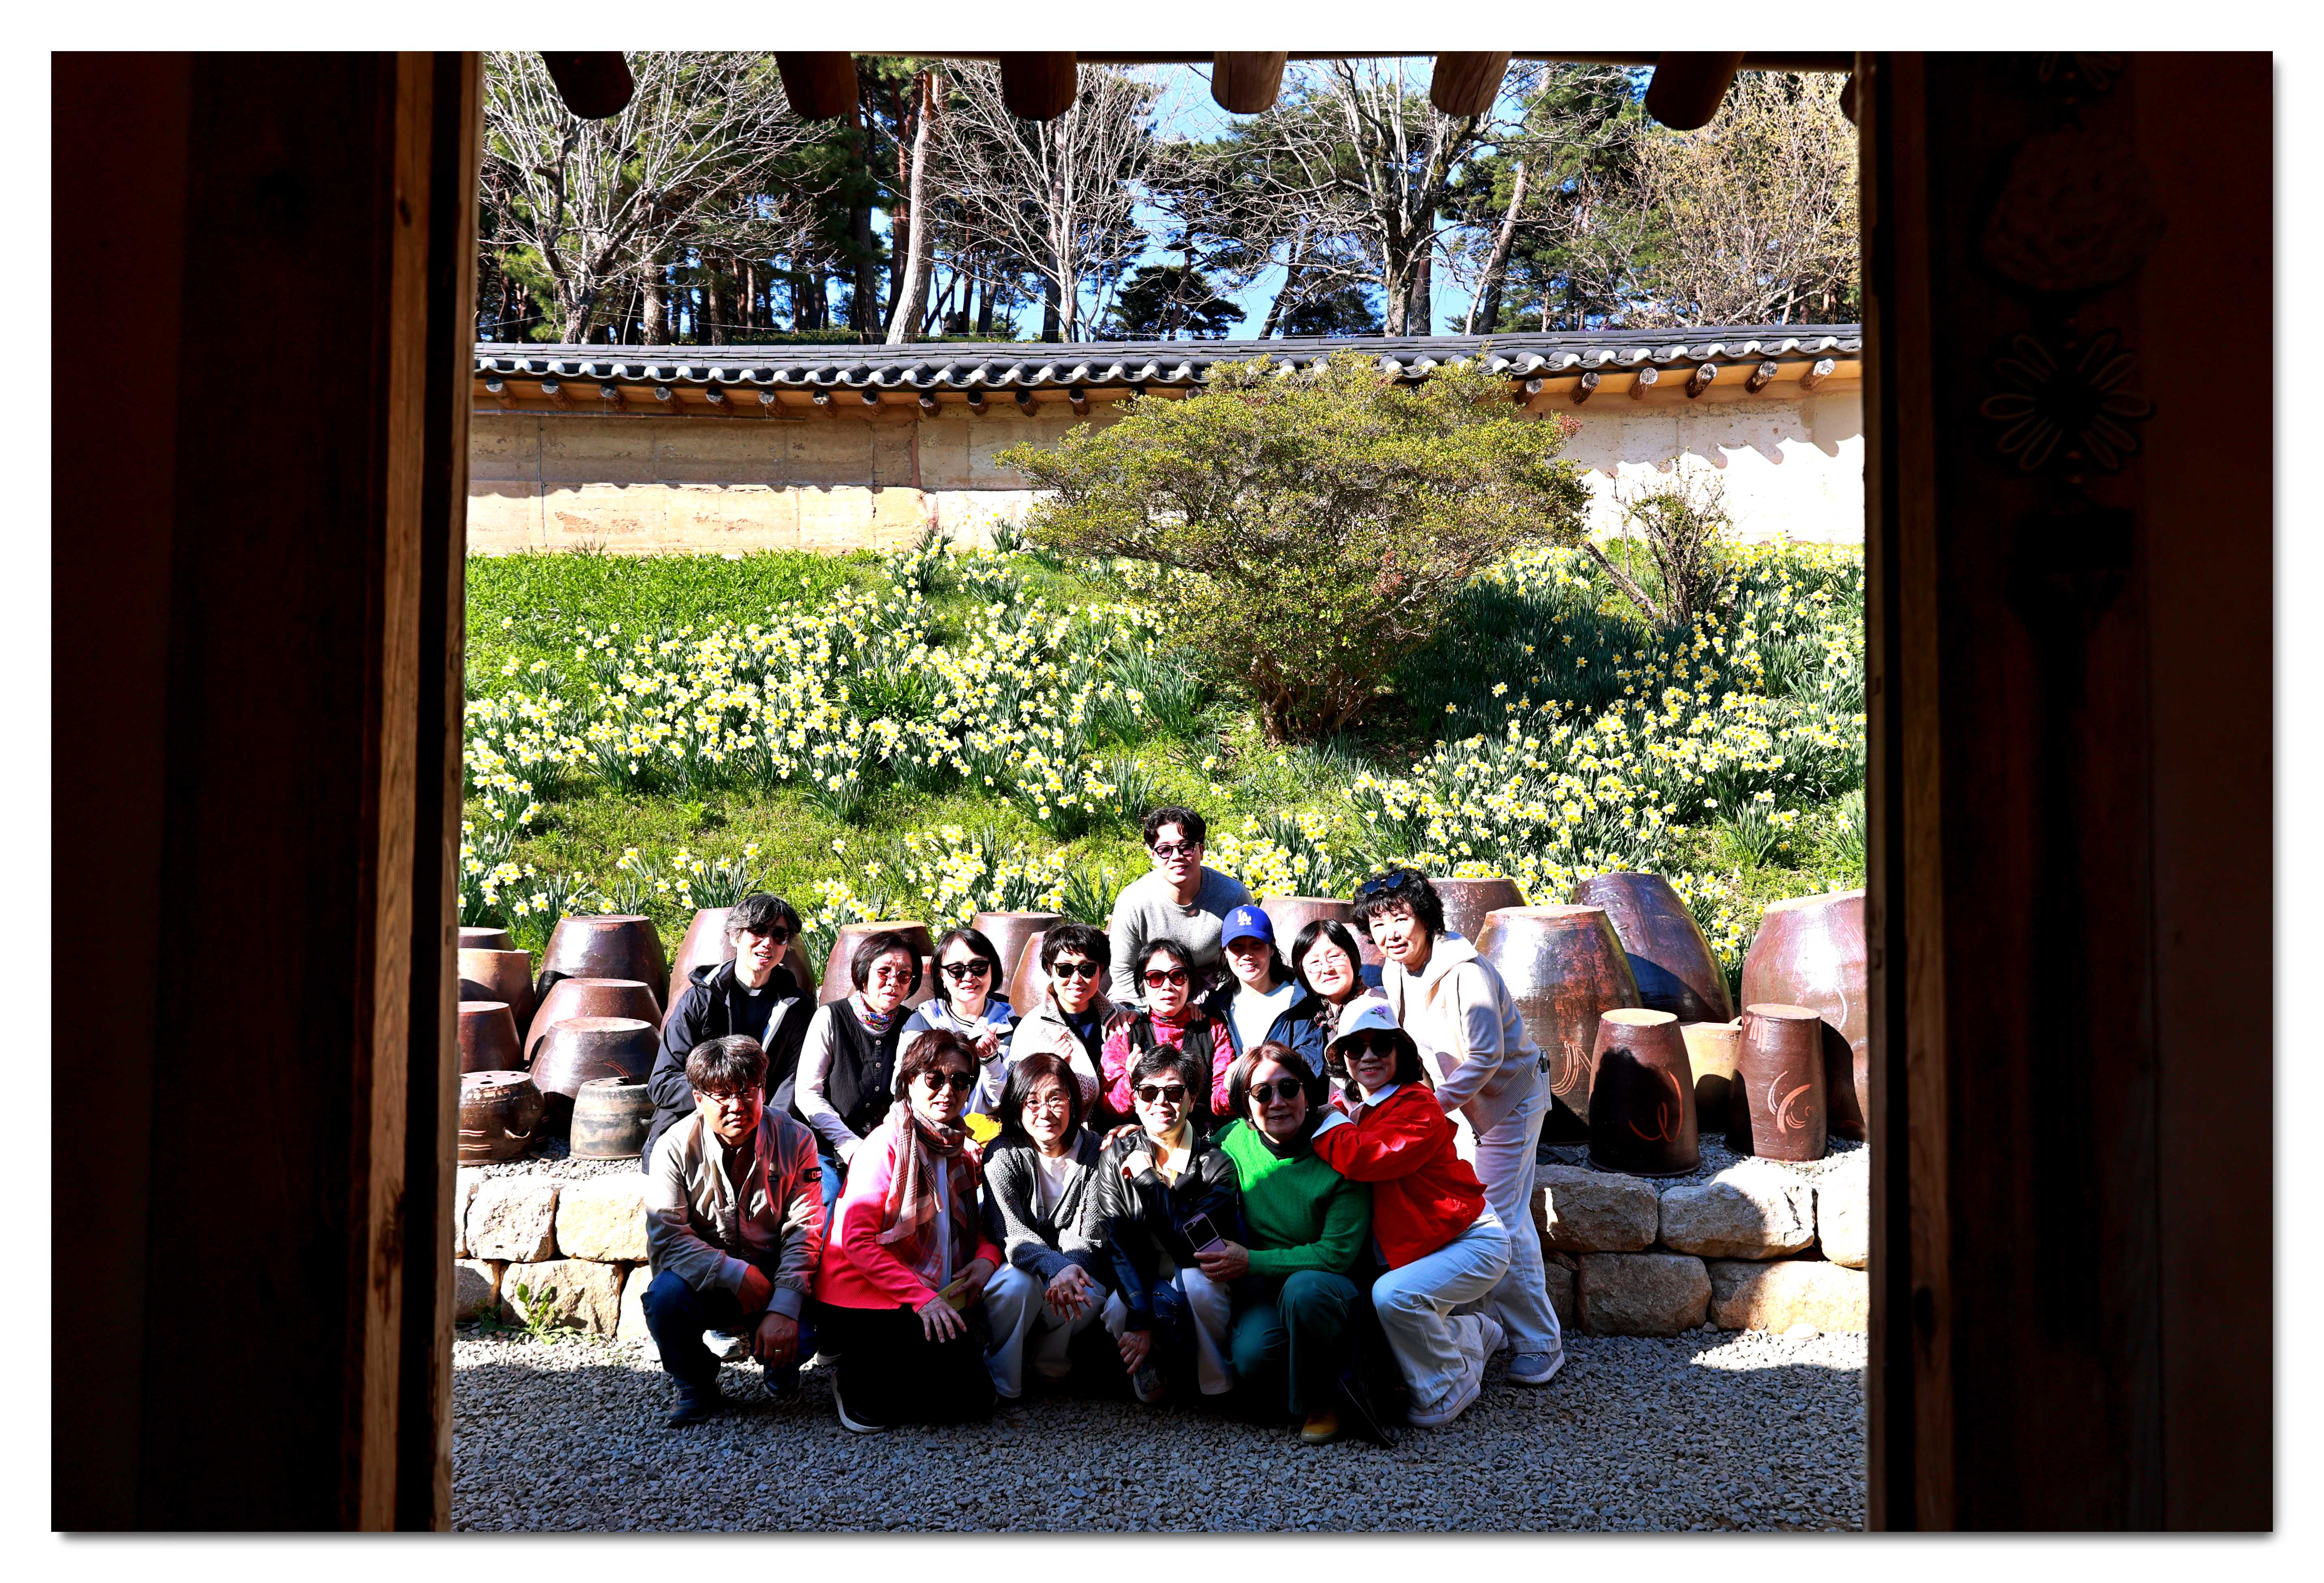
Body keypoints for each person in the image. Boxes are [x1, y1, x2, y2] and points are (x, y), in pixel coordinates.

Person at [1352, 866, 1566, 1388]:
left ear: (1426, 918)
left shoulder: (1466, 972)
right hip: (1459, 1105)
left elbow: (1487, 1057)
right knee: (1487, 1214)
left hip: (1509, 1102)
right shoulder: (1397, 971)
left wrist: (1428, 1108)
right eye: (1378, 925)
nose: (1390, 934)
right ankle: (1496, 1327)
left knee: (1496, 1220)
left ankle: (1541, 1343)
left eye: (1400, 919)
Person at [1309, 1000, 1513, 1429]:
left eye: (1381, 1046)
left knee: (1394, 1296)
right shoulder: (1358, 1110)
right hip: (1430, 1246)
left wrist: (1327, 1122)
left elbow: (1367, 1158)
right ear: (1342, 1056)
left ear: (1400, 1052)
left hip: (1472, 1241)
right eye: (1355, 1047)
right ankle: (1469, 1333)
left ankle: (1448, 1386)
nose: (1368, 1056)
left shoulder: (1418, 1104)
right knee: (1387, 1316)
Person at [812, 1029, 1003, 1433]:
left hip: (928, 1292)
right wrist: (921, 1298)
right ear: (910, 1081)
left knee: (977, 1402)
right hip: (865, 1295)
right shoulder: (884, 1147)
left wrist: (987, 1261)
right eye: (935, 1078)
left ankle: (900, 1373)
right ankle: (853, 1377)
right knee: (874, 1414)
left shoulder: (959, 1148)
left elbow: (979, 1227)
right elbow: (857, 1242)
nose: (948, 1090)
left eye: (961, 1080)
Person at [640, 1034, 825, 1427]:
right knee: (665, 1299)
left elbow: (806, 1229)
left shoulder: (796, 1138)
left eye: (747, 1091)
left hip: (775, 1275)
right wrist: (733, 1273)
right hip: (706, 1279)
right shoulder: (673, 1147)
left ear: (763, 1091)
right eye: (722, 1095)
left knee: (808, 1325)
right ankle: (695, 1384)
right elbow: (668, 1236)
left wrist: (784, 1305)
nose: (737, 1106)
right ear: (698, 1099)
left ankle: (780, 1363)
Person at [1204, 1040, 1375, 1445]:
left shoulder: (1340, 1153)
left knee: (1305, 1290)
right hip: (1268, 1292)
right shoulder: (1234, 1141)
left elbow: (1336, 1256)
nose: (1277, 1102)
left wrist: (1252, 1262)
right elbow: (1188, 1147)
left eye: (1288, 1088)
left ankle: (1325, 1402)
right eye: (1262, 1093)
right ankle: (1294, 1389)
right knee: (1252, 1355)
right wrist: (1134, 1139)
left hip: (1330, 1290)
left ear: (1307, 1093)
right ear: (1246, 1107)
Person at [1091, 1044, 1242, 1405]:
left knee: (1199, 1285)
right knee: (1118, 1309)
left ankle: (1215, 1380)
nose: (1161, 1102)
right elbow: (1116, 1243)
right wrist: (1140, 1317)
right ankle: (1153, 1364)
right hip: (1143, 1277)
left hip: (1195, 1274)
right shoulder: (1114, 1156)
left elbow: (1192, 1250)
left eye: (1174, 1092)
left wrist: (1148, 1181)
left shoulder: (1217, 1166)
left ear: (1192, 1099)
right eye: (1149, 1092)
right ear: (1135, 1099)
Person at [978, 1050, 1129, 1399]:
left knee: (1083, 1289)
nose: (1045, 1113)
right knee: (1015, 1286)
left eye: (1056, 1099)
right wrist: (1054, 1267)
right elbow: (1012, 1233)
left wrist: (1066, 1271)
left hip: (1079, 1264)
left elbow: (1089, 1237)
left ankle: (1051, 1364)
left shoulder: (1095, 1151)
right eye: (1032, 1101)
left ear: (1073, 1103)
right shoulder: (1002, 1153)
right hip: (1021, 1265)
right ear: (1016, 1106)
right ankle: (1003, 1378)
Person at [642, 893, 812, 1169]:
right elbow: (663, 1083)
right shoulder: (700, 1000)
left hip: (762, 1128)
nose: (768, 943)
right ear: (735, 937)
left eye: (779, 935)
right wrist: (723, 1102)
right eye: (758, 931)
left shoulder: (796, 1007)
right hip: (694, 1125)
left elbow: (792, 1082)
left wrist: (767, 1126)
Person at [794, 930, 921, 1211]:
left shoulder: (913, 1024)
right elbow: (807, 1093)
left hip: (889, 1146)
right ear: (864, 973)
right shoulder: (831, 1017)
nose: (893, 982)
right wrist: (848, 1143)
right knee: (830, 1199)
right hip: (828, 1145)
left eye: (904, 975)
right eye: (884, 972)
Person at [1105, 805, 1253, 1005]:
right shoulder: (1133, 901)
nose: (1177, 857)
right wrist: (1164, 1008)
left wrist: (1208, 1004)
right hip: (1148, 990)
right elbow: (1123, 971)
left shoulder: (1232, 896)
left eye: (1186, 847)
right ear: (1154, 857)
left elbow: (1246, 958)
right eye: (1165, 850)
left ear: (1201, 850)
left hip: (1210, 989)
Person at [1099, 939, 1229, 1130]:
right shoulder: (1125, 1033)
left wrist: (1233, 1084)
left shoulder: (1212, 1030)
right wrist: (1131, 1079)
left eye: (1178, 976)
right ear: (1142, 985)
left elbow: (1220, 1104)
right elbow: (1109, 1108)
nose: (1168, 986)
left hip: (1199, 1138)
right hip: (1142, 1138)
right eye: (1156, 977)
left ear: (1190, 982)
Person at [994, 922, 1111, 1116]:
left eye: (1087, 969)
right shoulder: (1032, 1029)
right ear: (1051, 969)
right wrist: (1049, 1068)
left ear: (1102, 970)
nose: (1076, 979)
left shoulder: (1118, 1019)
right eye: (1065, 969)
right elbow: (1015, 1099)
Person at [901, 926, 1013, 1115]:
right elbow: (903, 1089)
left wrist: (991, 1061)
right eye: (956, 970)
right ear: (941, 975)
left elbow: (1004, 1100)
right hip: (931, 1127)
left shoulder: (1011, 1027)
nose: (969, 977)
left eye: (979, 967)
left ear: (992, 969)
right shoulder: (922, 1023)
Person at [1203, 904, 1326, 1072]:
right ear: (1225, 952)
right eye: (1237, 946)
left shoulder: (1300, 1002)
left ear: (1272, 948)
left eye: (1256, 944)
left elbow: (1309, 1067)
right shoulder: (1214, 1009)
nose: (1247, 955)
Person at [1287, 918, 1386, 1084]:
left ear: (1352, 957)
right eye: (1314, 962)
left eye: (1334, 957)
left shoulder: (1379, 1008)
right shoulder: (1306, 1019)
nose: (1327, 969)